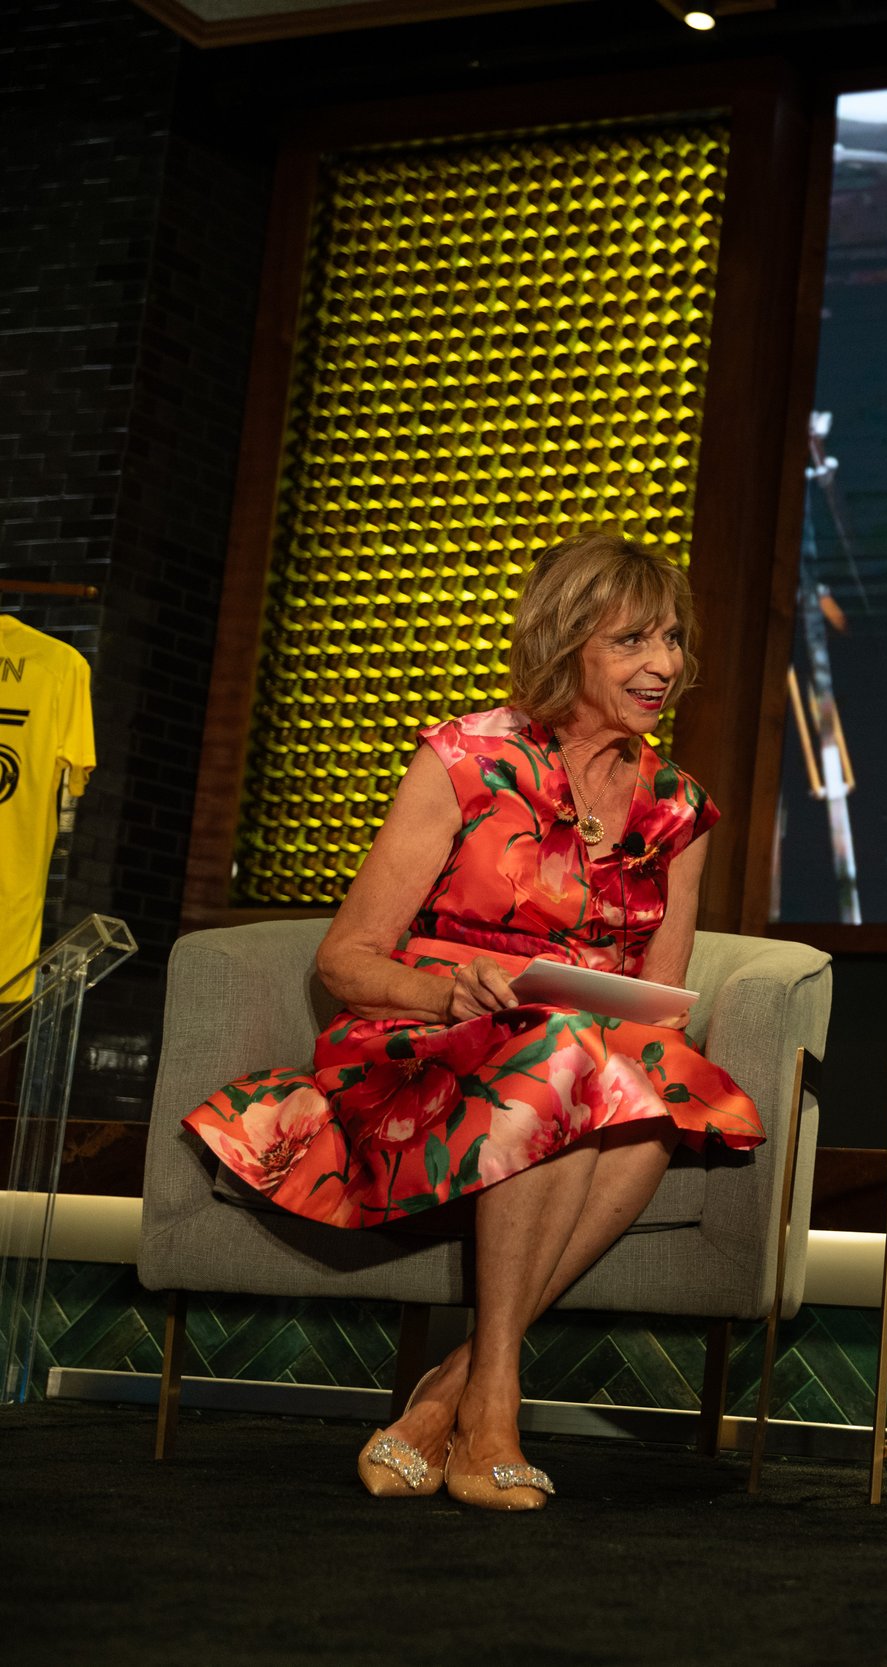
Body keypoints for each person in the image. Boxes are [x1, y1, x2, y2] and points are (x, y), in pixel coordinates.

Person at [181, 531, 759, 1511]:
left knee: (624, 1089)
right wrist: (449, 988)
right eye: (632, 641)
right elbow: (346, 958)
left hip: (577, 1051)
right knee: (579, 1071)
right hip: (421, 1041)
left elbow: (663, 1003)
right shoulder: (464, 759)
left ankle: (451, 1392)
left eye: (672, 639)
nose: (664, 664)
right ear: (568, 641)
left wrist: (584, 1007)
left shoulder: (676, 808)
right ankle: (491, 1407)